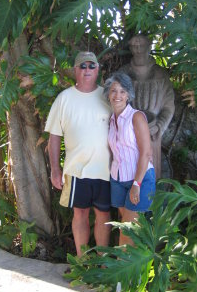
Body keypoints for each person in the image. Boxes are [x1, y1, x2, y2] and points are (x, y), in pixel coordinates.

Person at [45, 51, 111, 256]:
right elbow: (54, 136)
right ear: (75, 70)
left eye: (92, 66)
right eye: (83, 66)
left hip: (106, 170)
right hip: (76, 171)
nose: (87, 70)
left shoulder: (108, 96)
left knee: (104, 214)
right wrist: (55, 170)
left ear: (98, 69)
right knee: (80, 213)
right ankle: (83, 263)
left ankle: (102, 261)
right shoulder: (64, 99)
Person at [104, 71, 155, 246]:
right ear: (108, 94)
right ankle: (130, 270)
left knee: (128, 231)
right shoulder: (111, 120)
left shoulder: (137, 117)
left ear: (128, 95)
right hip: (118, 179)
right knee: (125, 227)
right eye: (113, 91)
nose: (117, 95)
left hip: (139, 180)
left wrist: (136, 184)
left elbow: (146, 153)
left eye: (122, 91)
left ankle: (122, 269)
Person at [119, 34, 175, 179]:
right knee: (127, 177)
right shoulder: (123, 73)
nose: (138, 50)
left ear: (149, 47)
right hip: (127, 136)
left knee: (149, 180)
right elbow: (114, 103)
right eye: (135, 46)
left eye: (142, 46)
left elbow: (168, 106)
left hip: (151, 134)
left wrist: (159, 126)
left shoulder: (160, 75)